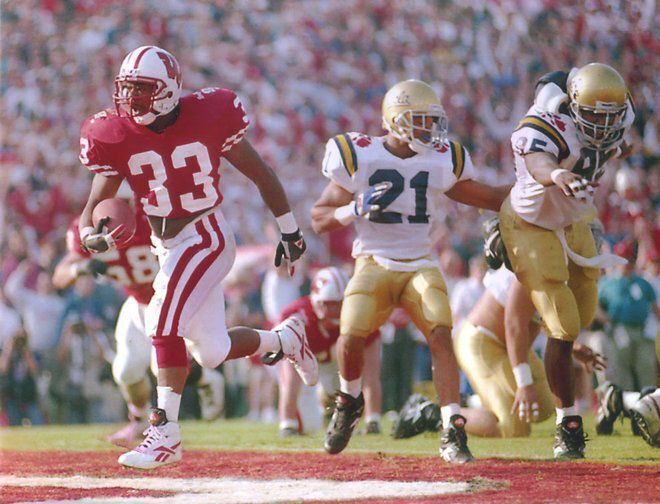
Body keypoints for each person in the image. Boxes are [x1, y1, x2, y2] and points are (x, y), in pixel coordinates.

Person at [76, 45, 317, 469]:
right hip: (166, 245)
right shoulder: (113, 133)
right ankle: (286, 338)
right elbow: (92, 207)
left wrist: (290, 229)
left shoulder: (211, 114)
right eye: (127, 88)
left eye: (142, 90)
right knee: (211, 351)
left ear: (168, 91)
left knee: (161, 322)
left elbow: (261, 174)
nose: (131, 99)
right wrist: (91, 234)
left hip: (205, 234)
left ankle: (165, 432)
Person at [311, 79, 510, 463]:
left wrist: (535, 187)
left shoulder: (439, 158)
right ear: (396, 120)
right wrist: (352, 208)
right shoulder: (360, 154)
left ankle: (452, 429)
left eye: (432, 121)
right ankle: (350, 400)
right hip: (373, 260)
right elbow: (319, 219)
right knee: (350, 335)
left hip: (420, 263)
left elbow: (486, 196)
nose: (429, 130)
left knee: (440, 332)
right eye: (421, 121)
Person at [499, 63, 635, 459]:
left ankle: (546, 325)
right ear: (573, 106)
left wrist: (615, 148)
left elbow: (619, 141)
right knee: (563, 322)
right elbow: (538, 163)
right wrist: (557, 173)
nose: (603, 123)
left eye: (610, 116)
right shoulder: (545, 121)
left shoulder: (623, 114)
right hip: (531, 220)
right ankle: (568, 424)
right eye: (593, 115)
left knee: (585, 308)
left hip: (573, 213)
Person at [53, 205, 160, 447]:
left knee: (164, 365)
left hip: (169, 298)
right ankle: (141, 421)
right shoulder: (89, 227)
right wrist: (80, 268)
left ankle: (167, 425)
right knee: (125, 370)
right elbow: (59, 277)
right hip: (137, 302)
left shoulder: (153, 216)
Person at [273, 267, 382, 437]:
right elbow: (290, 375)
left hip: (340, 364)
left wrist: (372, 420)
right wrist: (288, 424)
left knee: (349, 414)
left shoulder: (361, 315)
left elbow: (370, 374)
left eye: (341, 302)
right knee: (309, 426)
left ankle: (329, 402)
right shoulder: (297, 316)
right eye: (331, 303)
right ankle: (295, 418)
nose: (337, 309)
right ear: (317, 301)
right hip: (303, 365)